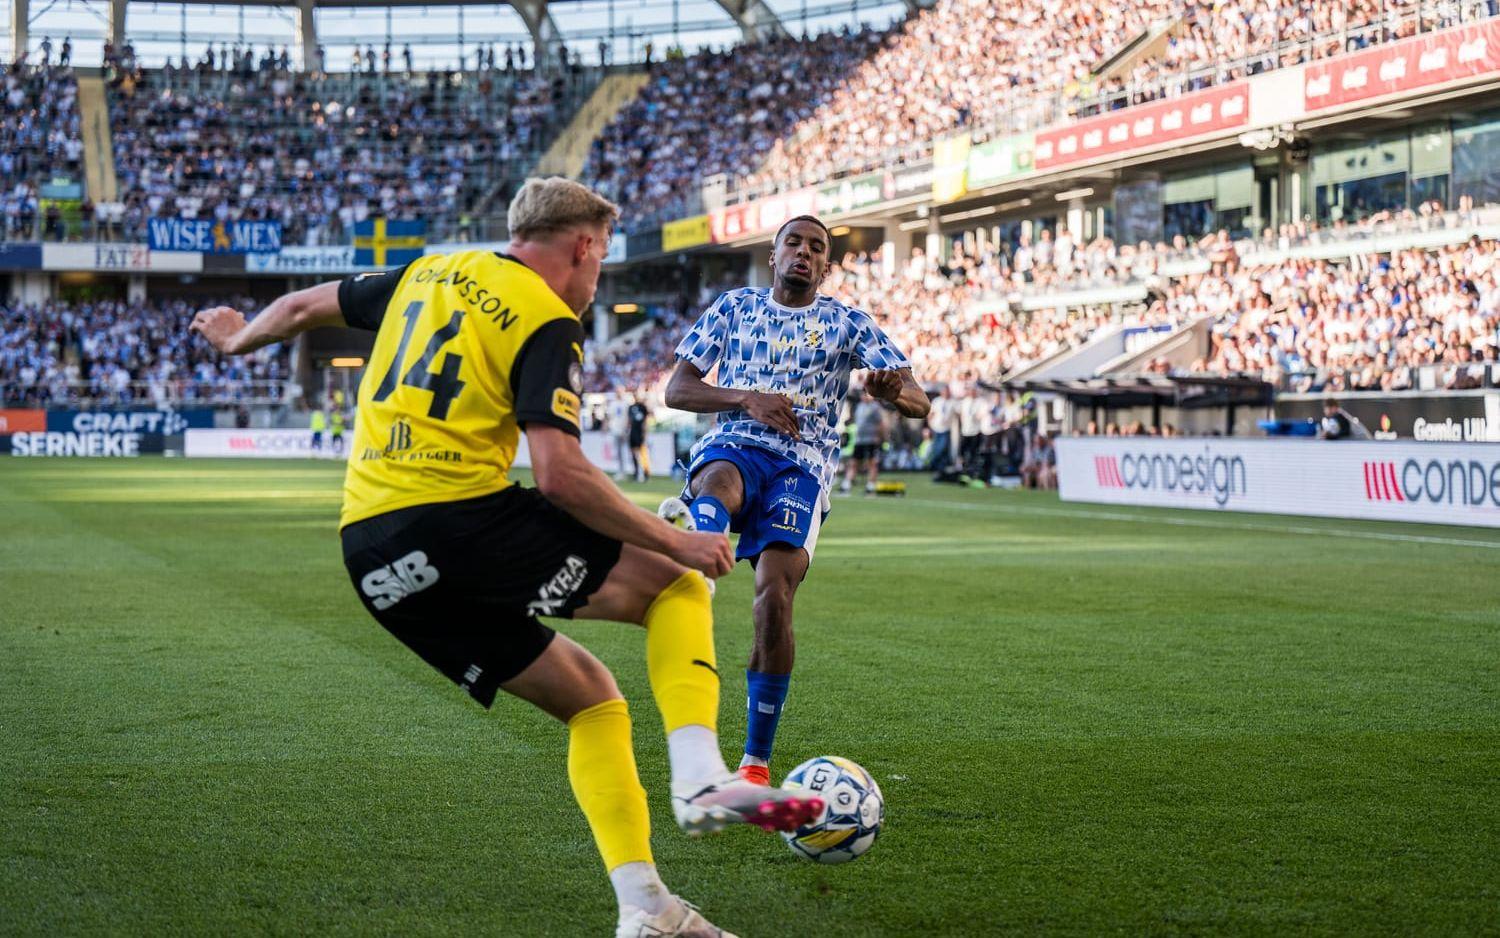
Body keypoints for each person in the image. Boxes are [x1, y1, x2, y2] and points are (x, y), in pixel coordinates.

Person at [189, 178, 821, 938]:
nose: (595, 283)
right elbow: (558, 475)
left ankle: (647, 908)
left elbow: (296, 309)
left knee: (591, 698)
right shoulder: (544, 315)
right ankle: (700, 780)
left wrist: (234, 338)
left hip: (372, 555)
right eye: (600, 261)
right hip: (456, 520)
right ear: (582, 245)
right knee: (676, 580)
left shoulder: (424, 274)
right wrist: (675, 537)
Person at [659, 215, 930, 785]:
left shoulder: (847, 322)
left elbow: (918, 400)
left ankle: (755, 764)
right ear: (774, 256)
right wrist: (747, 398)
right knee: (722, 480)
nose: (803, 253)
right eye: (793, 243)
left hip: (805, 466)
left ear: (826, 266)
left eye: (816, 248)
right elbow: (678, 389)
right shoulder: (735, 307)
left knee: (775, 597)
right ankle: (699, 555)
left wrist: (891, 391)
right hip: (737, 439)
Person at [839, 386, 885, 495]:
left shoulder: (875, 407)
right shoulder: (859, 406)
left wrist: (880, 437)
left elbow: (881, 424)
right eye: (863, 394)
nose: (864, 396)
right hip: (859, 440)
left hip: (871, 439)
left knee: (872, 463)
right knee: (854, 462)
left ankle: (870, 485)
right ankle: (847, 484)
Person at [628, 393, 650, 482]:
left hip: (640, 433)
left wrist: (645, 434)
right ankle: (636, 473)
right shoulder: (630, 407)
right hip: (632, 433)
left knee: (642, 454)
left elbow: (645, 421)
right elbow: (629, 421)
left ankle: (645, 474)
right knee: (634, 454)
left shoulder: (643, 407)